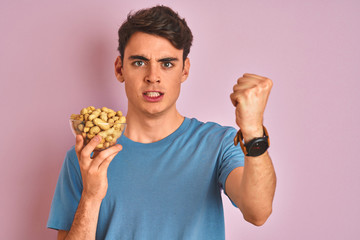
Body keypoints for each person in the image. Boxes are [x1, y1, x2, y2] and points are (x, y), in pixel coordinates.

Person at [47, 5, 276, 240]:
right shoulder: (86, 156)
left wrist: (253, 132)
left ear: (184, 70)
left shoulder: (218, 144)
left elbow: (258, 213)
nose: (153, 76)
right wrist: (91, 196)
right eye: (139, 62)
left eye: (167, 63)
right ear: (119, 68)